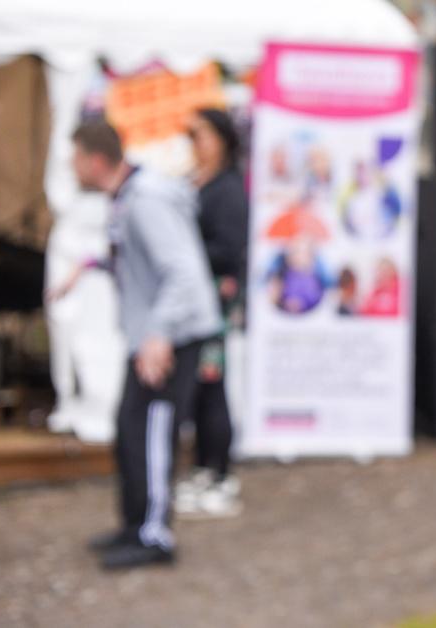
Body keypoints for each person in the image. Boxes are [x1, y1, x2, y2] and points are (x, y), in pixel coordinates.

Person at [51, 120, 222, 569]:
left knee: (152, 432)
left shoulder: (146, 203)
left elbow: (183, 273)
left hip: (169, 337)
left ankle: (154, 536)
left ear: (96, 161)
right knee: (130, 430)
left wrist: (159, 335)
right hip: (149, 335)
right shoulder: (128, 198)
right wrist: (86, 267)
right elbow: (129, 256)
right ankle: (134, 524)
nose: (72, 170)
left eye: (74, 160)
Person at [173, 108, 248, 519]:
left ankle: (219, 472)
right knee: (203, 387)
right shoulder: (201, 183)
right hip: (199, 302)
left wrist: (188, 256)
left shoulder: (228, 189)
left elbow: (229, 248)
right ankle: (205, 467)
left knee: (213, 385)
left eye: (199, 135)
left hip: (215, 301)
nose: (194, 144)